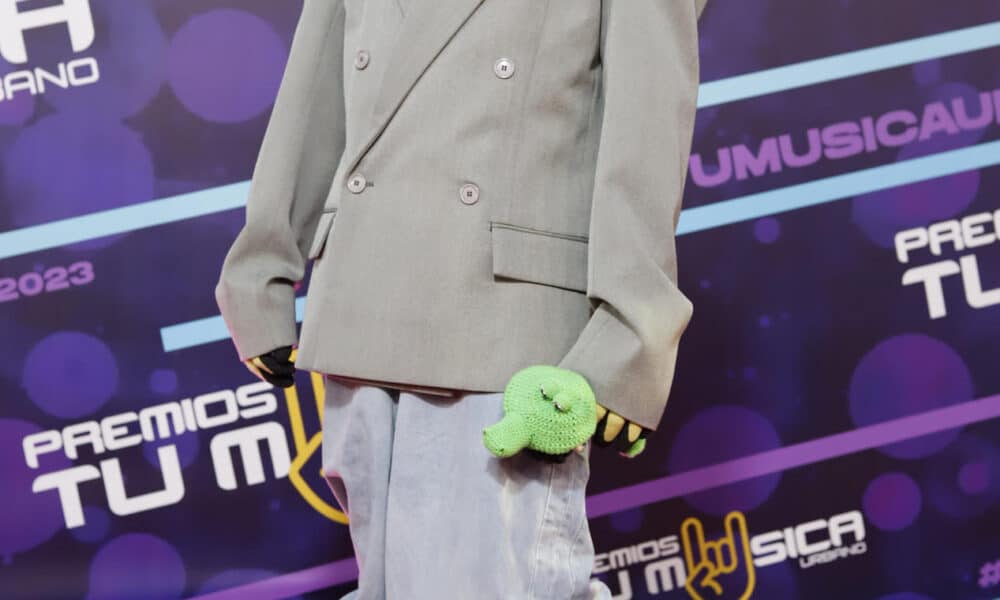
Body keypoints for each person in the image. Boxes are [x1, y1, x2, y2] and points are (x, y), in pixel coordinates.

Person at [215, 0, 707, 597]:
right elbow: (315, 89)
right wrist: (262, 267)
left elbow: (647, 131)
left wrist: (630, 335)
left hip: (503, 322)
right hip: (361, 302)